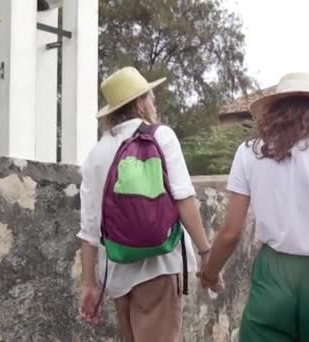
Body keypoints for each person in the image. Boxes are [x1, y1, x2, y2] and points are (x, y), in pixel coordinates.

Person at [200, 72, 309, 341]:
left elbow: (231, 232)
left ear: (273, 112)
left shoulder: (248, 152)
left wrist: (210, 273)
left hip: (273, 273)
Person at [77, 67, 212, 342]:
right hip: (158, 268)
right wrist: (206, 251)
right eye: (151, 96)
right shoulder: (160, 136)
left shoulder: (96, 154)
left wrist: (89, 284)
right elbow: (184, 199)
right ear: (140, 102)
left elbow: (90, 229)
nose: (155, 102)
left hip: (116, 274)